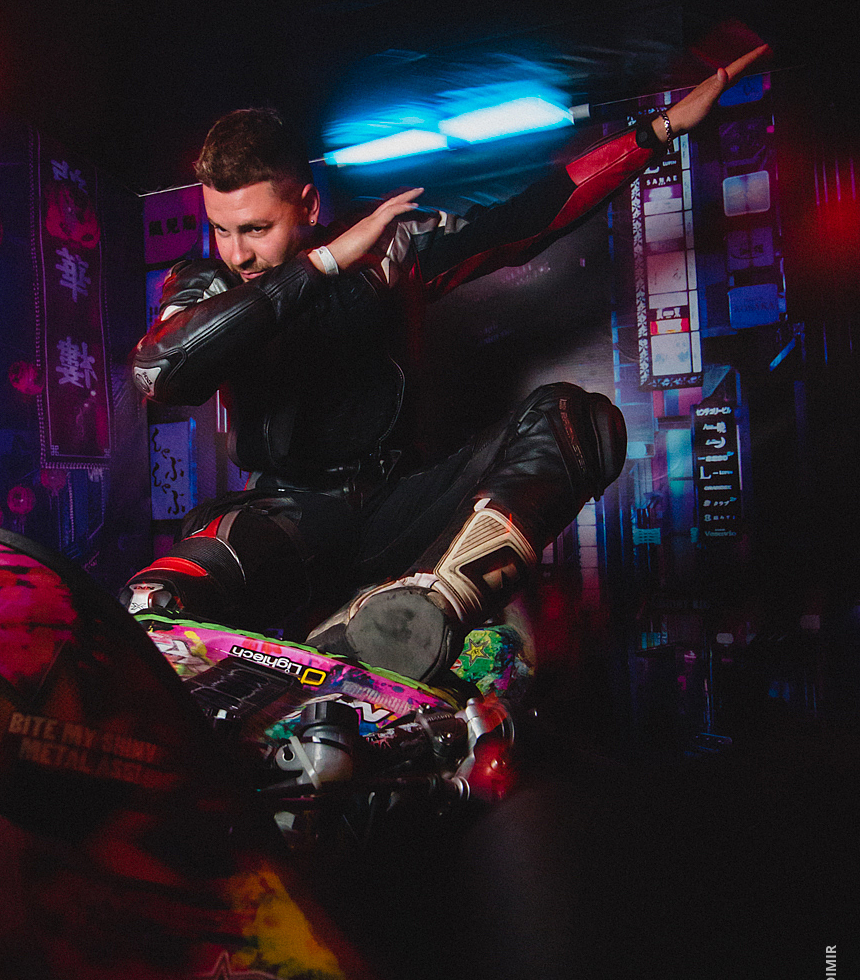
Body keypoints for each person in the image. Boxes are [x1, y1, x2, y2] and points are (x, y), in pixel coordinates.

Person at [128, 46, 769, 684]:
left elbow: (527, 219)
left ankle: (420, 614)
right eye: (222, 230)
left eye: (256, 229)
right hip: (285, 523)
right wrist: (319, 266)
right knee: (155, 604)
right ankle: (330, 627)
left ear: (309, 205)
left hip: (403, 515)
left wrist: (659, 130)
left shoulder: (388, 253)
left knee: (579, 421)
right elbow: (160, 369)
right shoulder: (207, 285)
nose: (237, 252)